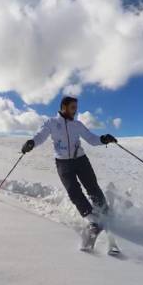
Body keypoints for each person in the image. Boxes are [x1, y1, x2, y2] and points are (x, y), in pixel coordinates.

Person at [21, 96, 118, 226]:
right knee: (74, 192)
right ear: (64, 107)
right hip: (63, 163)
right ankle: (92, 218)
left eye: (76, 108)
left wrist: (103, 139)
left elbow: (91, 138)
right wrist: (32, 142)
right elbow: (41, 135)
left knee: (92, 187)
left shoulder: (77, 125)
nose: (75, 111)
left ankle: (105, 213)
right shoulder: (51, 122)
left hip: (81, 160)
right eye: (73, 107)